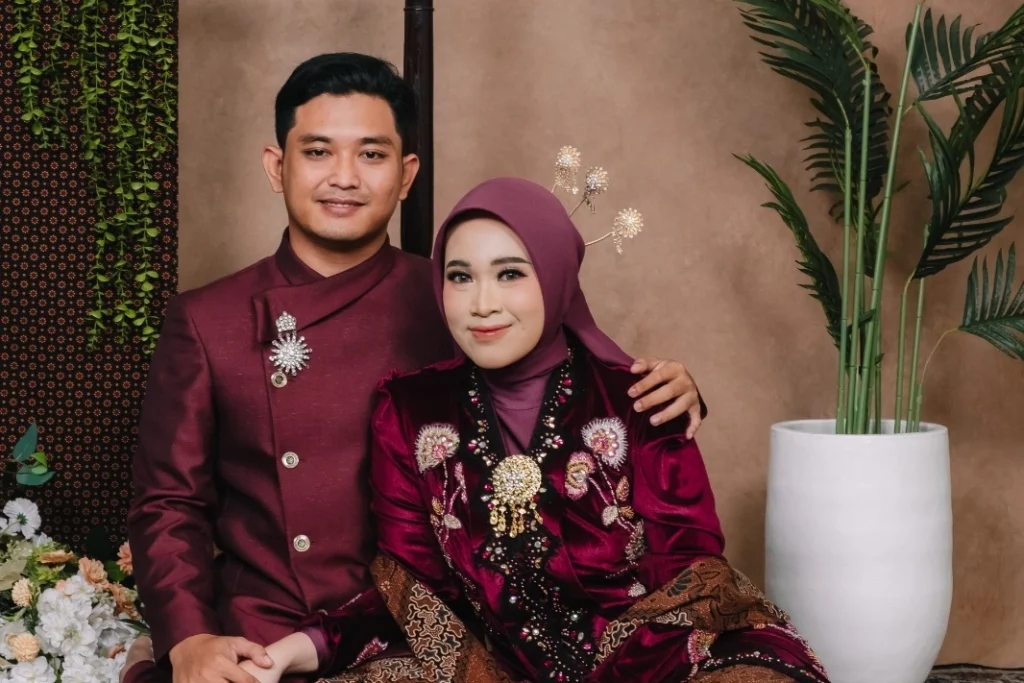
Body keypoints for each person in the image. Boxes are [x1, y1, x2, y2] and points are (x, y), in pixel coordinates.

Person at [122, 54, 706, 683]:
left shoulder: (460, 299)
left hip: (436, 637)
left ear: (405, 176)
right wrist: (189, 638)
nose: (344, 177)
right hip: (265, 637)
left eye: (371, 154)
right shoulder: (207, 319)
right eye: (317, 152)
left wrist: (670, 390)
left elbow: (565, 398)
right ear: (276, 166)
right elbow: (169, 503)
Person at [240, 178, 829, 683]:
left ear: (556, 276)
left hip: (656, 666)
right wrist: (290, 651)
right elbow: (413, 594)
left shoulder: (642, 400)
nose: (482, 303)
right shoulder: (411, 411)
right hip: (495, 669)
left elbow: (692, 582)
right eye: (460, 277)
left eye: (510, 274)